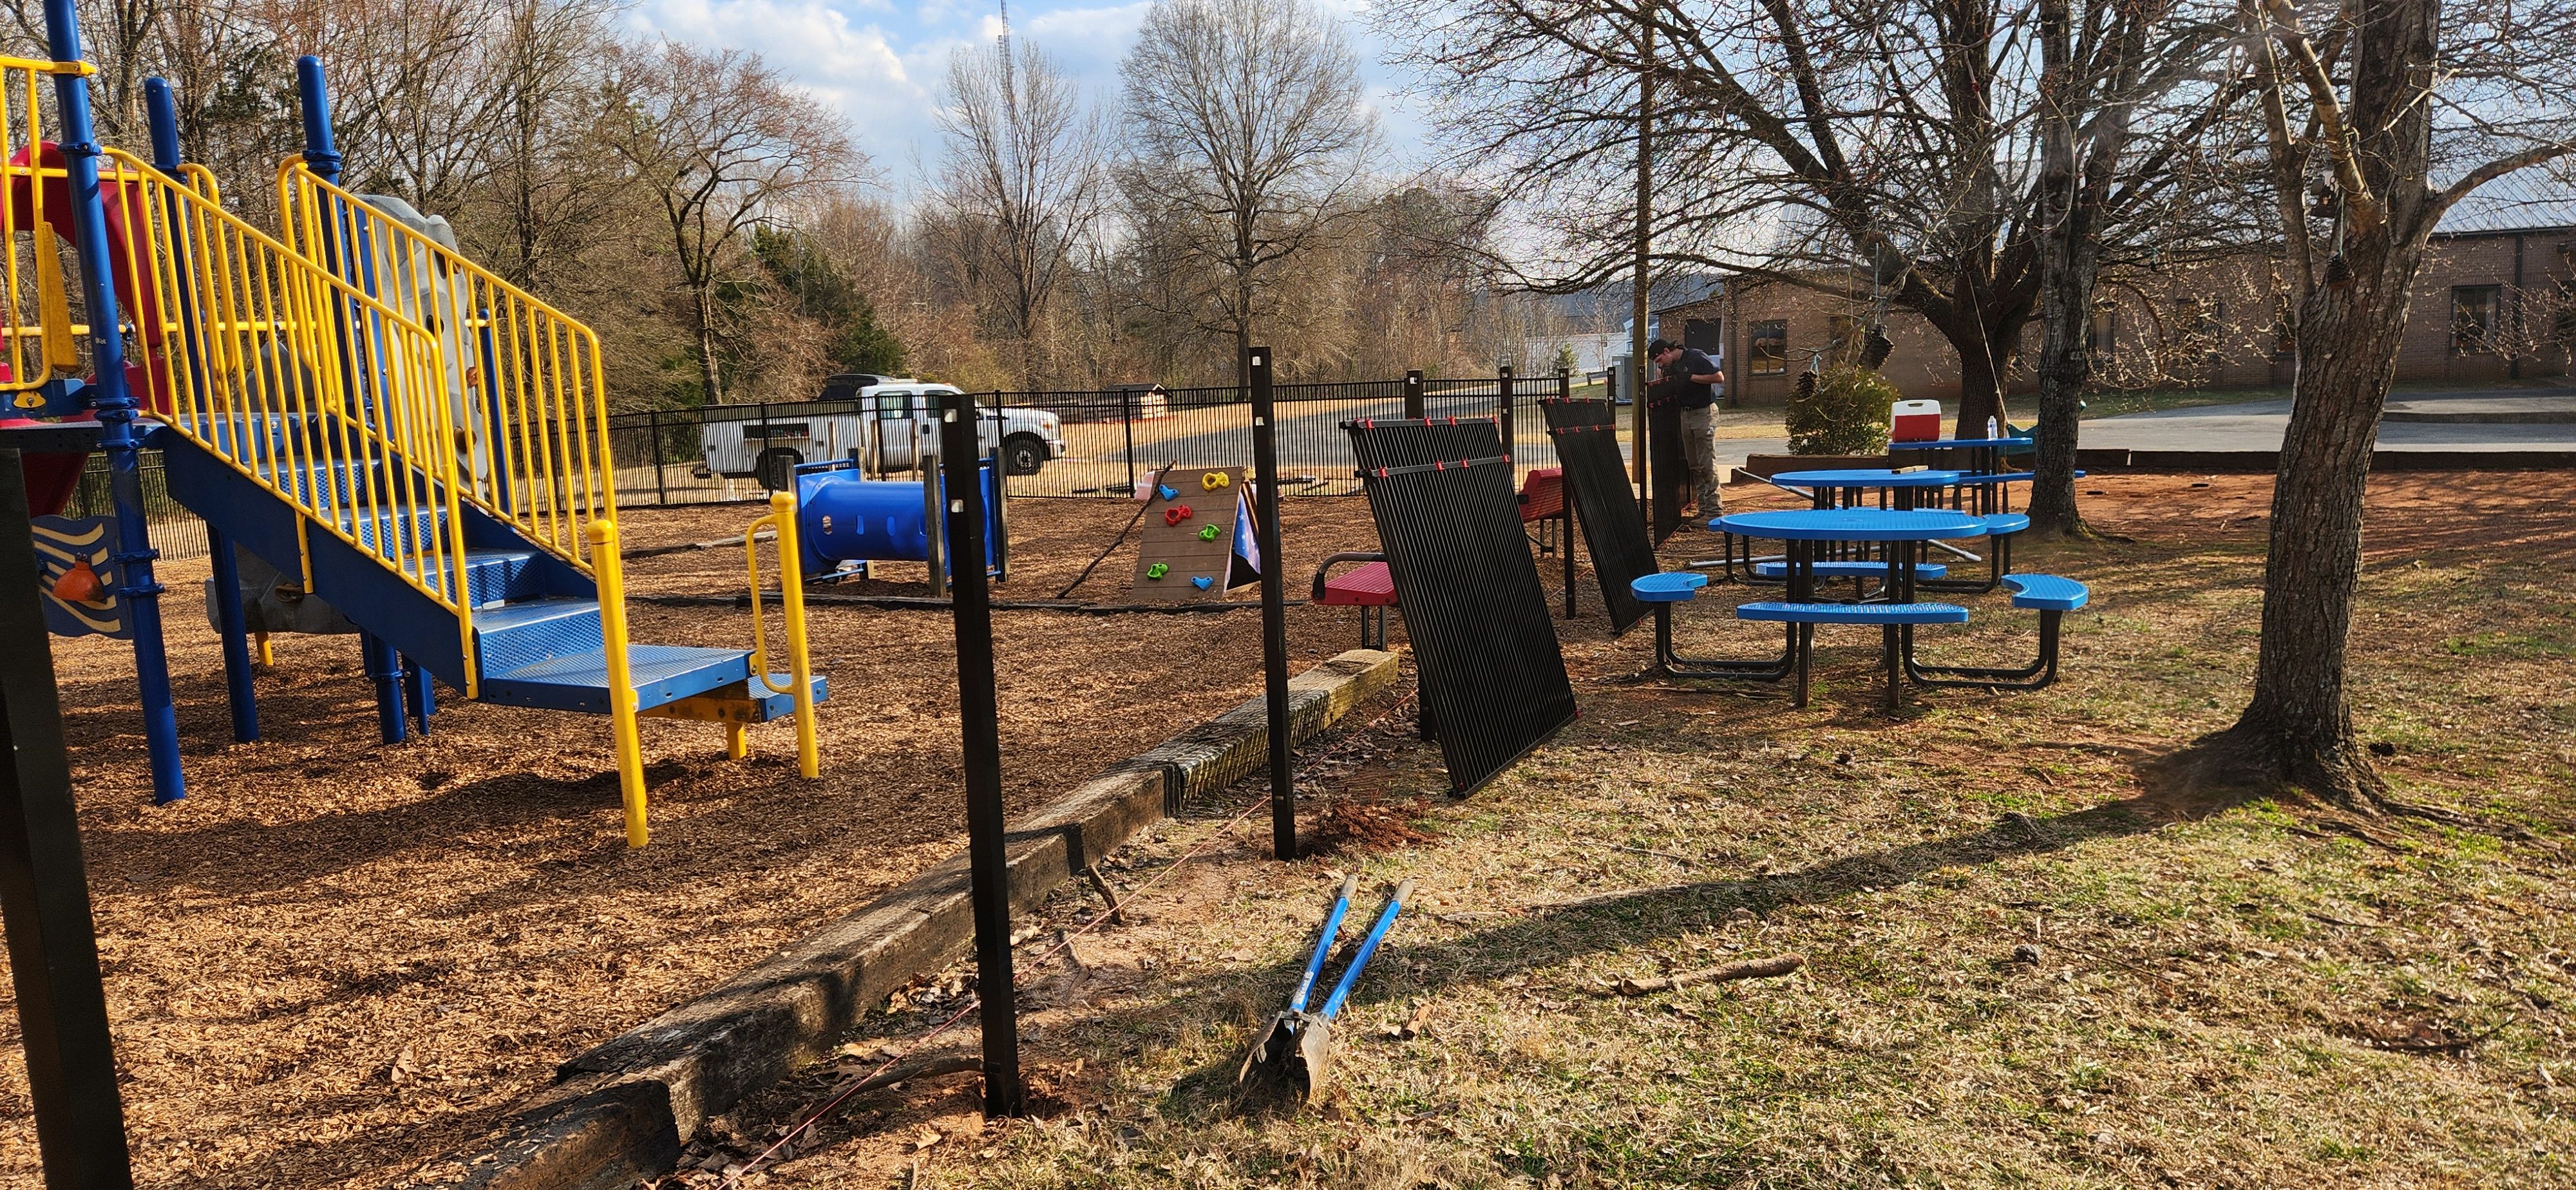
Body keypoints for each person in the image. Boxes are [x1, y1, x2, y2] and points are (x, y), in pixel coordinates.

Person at [1647, 337, 1726, 520]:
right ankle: (1704, 509)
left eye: (1660, 360)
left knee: (1707, 463)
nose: (1660, 364)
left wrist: (1691, 377)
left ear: (1667, 351)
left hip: (1703, 412)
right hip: (1686, 413)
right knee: (1695, 465)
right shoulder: (1672, 367)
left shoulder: (1695, 357)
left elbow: (1719, 377)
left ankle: (1715, 510)